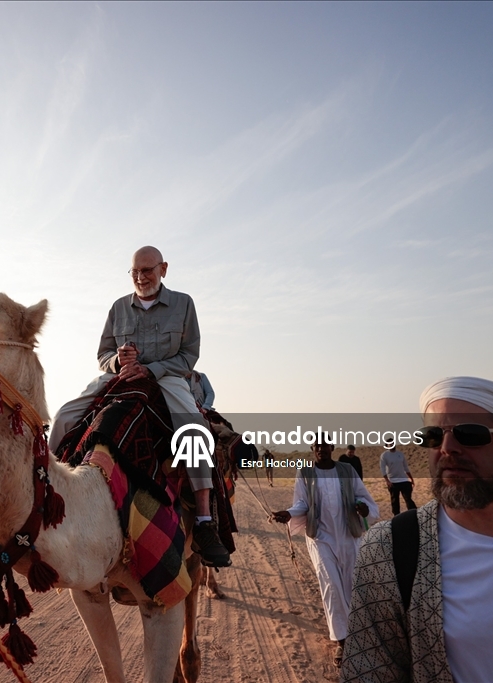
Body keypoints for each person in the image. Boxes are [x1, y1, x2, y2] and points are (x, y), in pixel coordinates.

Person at [342, 377, 493, 682]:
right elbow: (369, 672)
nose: (447, 448)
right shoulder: (389, 553)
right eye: (433, 436)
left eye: (469, 435)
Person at [48, 245, 230, 567]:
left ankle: (203, 520)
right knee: (64, 416)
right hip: (121, 376)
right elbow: (102, 354)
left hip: (168, 376)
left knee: (195, 427)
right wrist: (118, 362)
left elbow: (189, 355)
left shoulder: (183, 304)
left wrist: (151, 369)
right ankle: (49, 494)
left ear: (163, 269)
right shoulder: (118, 307)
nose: (140, 277)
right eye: (134, 272)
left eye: (147, 270)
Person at [272, 438, 378, 668]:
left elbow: (363, 496)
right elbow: (301, 503)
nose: (321, 449)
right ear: (313, 450)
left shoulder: (347, 470)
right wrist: (289, 514)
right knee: (331, 585)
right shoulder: (306, 473)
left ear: (332, 448)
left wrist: (363, 507)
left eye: (325, 445)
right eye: (316, 446)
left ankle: (357, 630)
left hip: (348, 535)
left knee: (351, 584)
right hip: (320, 537)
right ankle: (341, 639)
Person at [380, 439, 416, 515]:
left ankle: (413, 514)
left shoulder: (400, 454)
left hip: (403, 480)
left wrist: (411, 478)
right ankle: (396, 516)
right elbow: (382, 469)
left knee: (408, 499)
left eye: (393, 443)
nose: (392, 445)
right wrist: (387, 481)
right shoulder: (384, 455)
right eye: (390, 444)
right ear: (387, 445)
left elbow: (406, 467)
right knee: (395, 500)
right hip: (393, 481)